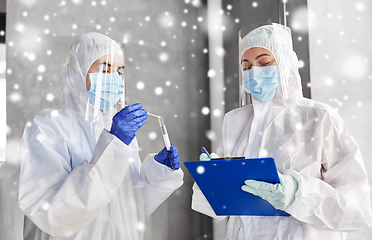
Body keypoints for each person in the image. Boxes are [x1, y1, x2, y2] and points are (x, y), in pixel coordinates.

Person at [191, 23, 372, 239]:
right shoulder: (235, 121)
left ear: (286, 62)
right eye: (246, 67)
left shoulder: (318, 117)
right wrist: (213, 178)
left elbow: (358, 208)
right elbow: (219, 204)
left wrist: (297, 194)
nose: (254, 73)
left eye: (265, 63)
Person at [16, 32, 183, 239]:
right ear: (78, 72)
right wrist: (113, 146)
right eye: (105, 70)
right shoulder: (47, 126)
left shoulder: (118, 125)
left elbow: (130, 206)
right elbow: (53, 215)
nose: (115, 78)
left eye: (119, 72)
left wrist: (158, 174)